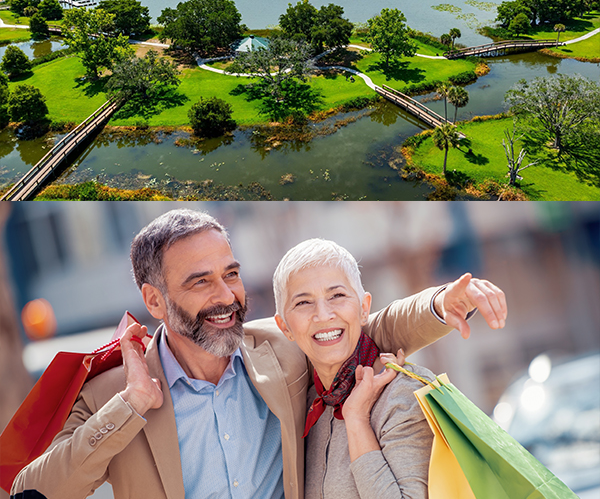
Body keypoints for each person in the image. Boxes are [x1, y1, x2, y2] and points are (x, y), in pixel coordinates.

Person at [11, 209, 507, 499]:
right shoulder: (110, 394)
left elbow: (361, 327)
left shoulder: (282, 351)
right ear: (155, 299)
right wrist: (132, 404)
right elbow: (35, 490)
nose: (226, 296)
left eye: (230, 273)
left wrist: (442, 302)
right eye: (199, 281)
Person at [272, 238, 445, 499]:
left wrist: (356, 420)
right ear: (285, 327)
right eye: (303, 303)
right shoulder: (305, 407)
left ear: (364, 308)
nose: (323, 314)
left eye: (337, 295)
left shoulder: (402, 395)